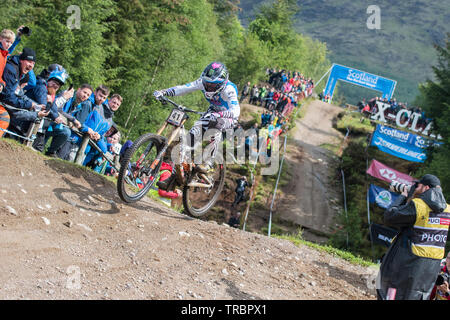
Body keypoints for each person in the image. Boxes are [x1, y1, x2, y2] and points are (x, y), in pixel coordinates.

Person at [153, 61, 240, 174]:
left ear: (221, 84)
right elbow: (184, 88)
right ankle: (178, 172)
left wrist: (220, 115)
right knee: (192, 135)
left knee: (216, 124)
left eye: (211, 85)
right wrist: (165, 92)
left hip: (229, 116)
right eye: (206, 83)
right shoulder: (203, 81)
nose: (207, 86)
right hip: (213, 111)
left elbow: (236, 111)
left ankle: (209, 163)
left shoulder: (229, 89)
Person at [378, 174, 450, 300]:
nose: (415, 187)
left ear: (426, 187)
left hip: (408, 262)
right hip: (431, 268)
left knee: (393, 293)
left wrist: (403, 196)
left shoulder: (418, 205)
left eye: (418, 185)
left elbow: (390, 217)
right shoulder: (448, 209)